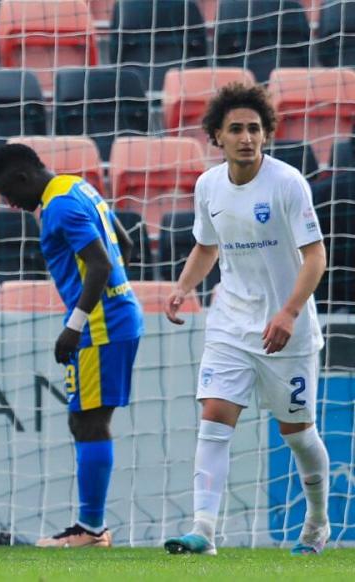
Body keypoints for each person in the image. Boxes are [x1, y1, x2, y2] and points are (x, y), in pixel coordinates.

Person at [163, 83, 330, 556]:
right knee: (214, 416)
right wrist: (182, 288)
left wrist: (289, 312)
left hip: (288, 332)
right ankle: (203, 530)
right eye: (235, 129)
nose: (246, 138)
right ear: (217, 135)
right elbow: (207, 246)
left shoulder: (287, 183)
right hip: (231, 323)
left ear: (266, 133)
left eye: (254, 129)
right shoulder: (208, 186)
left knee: (298, 435)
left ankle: (317, 522)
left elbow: (316, 257)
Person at [0, 143, 143, 548]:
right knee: (84, 419)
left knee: (89, 421)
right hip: (114, 315)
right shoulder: (77, 186)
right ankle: (91, 526)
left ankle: (91, 529)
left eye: (9, 194)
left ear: (23, 177)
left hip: (100, 325)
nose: (12, 204)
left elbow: (102, 263)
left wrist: (75, 324)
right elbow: (124, 244)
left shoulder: (59, 207)